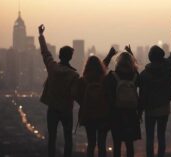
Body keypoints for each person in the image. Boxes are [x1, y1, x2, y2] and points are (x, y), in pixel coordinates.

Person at [139, 18, 171, 157]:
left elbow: (141, 92)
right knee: (161, 137)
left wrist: (139, 110)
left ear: (150, 57)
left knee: (150, 138)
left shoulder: (144, 74)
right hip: (164, 107)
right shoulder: (167, 66)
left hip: (150, 109)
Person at [38, 24, 79, 157]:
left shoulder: (52, 68)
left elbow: (45, 53)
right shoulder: (74, 75)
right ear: (70, 57)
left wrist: (41, 35)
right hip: (66, 110)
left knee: (52, 138)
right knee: (68, 138)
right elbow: (74, 94)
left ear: (59, 55)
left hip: (53, 108)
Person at [72, 47, 117, 157]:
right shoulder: (104, 79)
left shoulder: (82, 81)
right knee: (102, 144)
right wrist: (110, 55)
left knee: (91, 143)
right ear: (99, 66)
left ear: (87, 66)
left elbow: (76, 96)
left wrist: (85, 103)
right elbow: (109, 95)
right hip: (103, 115)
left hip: (88, 116)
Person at [104, 47, 141, 157]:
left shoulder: (112, 76)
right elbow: (138, 76)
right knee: (129, 145)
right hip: (131, 113)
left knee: (117, 144)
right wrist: (131, 55)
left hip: (116, 114)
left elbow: (101, 73)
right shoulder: (134, 76)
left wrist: (109, 56)